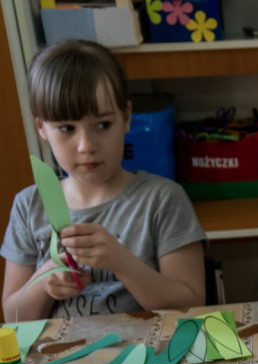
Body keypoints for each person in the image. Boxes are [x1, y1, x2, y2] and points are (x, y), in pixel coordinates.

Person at [1, 40, 207, 321]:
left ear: (126, 118)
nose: (86, 145)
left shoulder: (162, 199)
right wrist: (45, 280)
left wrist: (121, 262)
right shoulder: (30, 205)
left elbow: (192, 305)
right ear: (42, 129)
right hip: (61, 360)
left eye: (102, 125)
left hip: (148, 356)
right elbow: (14, 318)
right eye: (67, 128)